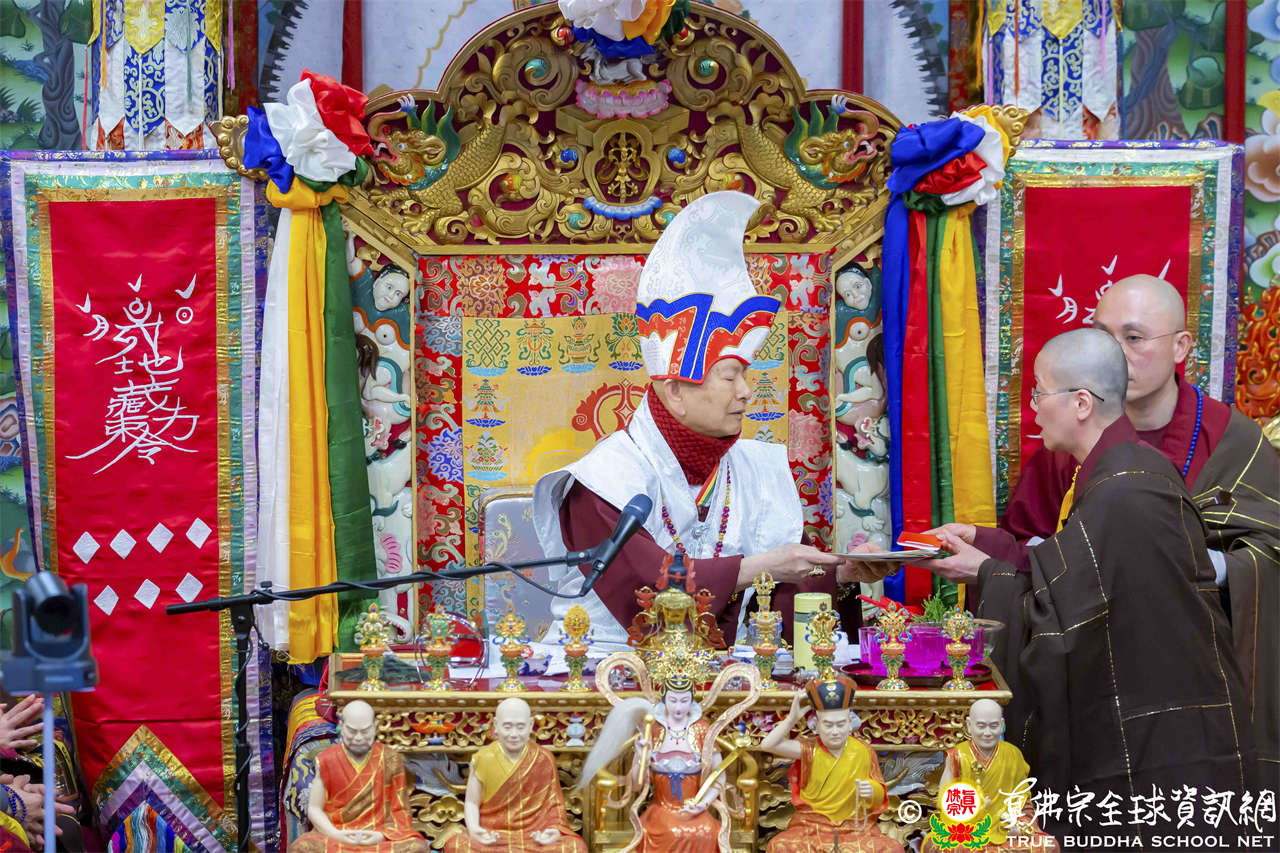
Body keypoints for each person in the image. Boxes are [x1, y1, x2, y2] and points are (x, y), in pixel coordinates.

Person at [887, 329, 1256, 842]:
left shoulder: (1127, 489)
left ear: (1081, 403)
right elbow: (1072, 572)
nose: (1033, 408)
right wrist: (986, 543)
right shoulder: (1113, 474)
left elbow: (1067, 605)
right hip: (1154, 721)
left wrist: (986, 573)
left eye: (1039, 392)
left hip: (1159, 738)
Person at [533, 191, 886, 648]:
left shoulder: (757, 469)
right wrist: (758, 567)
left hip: (724, 676)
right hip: (603, 668)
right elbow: (648, 599)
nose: (746, 392)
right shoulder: (604, 481)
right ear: (676, 392)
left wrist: (840, 574)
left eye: (745, 376)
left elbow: (773, 604)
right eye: (730, 376)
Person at [992, 274, 1279, 785]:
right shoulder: (1068, 444)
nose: (1116, 353)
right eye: (1103, 336)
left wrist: (1212, 566)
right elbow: (1025, 546)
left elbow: (1272, 548)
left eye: (1134, 337)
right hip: (1094, 683)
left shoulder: (1233, 441)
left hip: (1200, 674)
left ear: (1181, 346)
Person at [578, 650, 762, 852]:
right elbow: (637, 785)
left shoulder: (702, 729)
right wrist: (641, 756)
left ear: (692, 700)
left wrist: (704, 803)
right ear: (664, 700)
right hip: (661, 809)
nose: (678, 707)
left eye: (684, 701)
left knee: (706, 831)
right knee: (668, 831)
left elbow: (719, 775)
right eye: (673, 700)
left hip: (695, 809)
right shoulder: (653, 729)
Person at [759, 677, 901, 853]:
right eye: (828, 725)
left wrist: (873, 791)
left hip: (854, 827)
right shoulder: (810, 750)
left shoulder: (863, 751)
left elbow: (879, 795)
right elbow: (767, 745)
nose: (835, 731)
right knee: (779, 845)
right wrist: (792, 719)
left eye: (841, 724)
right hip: (812, 826)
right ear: (817, 725)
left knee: (892, 848)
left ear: (850, 724)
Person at [921, 699, 1057, 853]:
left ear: (1002, 724)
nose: (987, 733)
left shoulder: (1013, 755)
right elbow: (945, 803)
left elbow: (1024, 802)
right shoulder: (957, 756)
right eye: (981, 726)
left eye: (993, 726)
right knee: (938, 845)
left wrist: (1020, 824)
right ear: (969, 725)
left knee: (1049, 845)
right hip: (968, 831)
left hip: (1005, 831)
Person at [290, 700, 427, 852]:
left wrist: (381, 836)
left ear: (375, 727)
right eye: (352, 731)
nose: (359, 737)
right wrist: (335, 834)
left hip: (377, 837)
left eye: (365, 731)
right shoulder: (326, 760)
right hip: (338, 836)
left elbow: (400, 810)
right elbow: (315, 808)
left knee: (417, 847)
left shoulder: (390, 759)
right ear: (341, 726)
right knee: (301, 848)